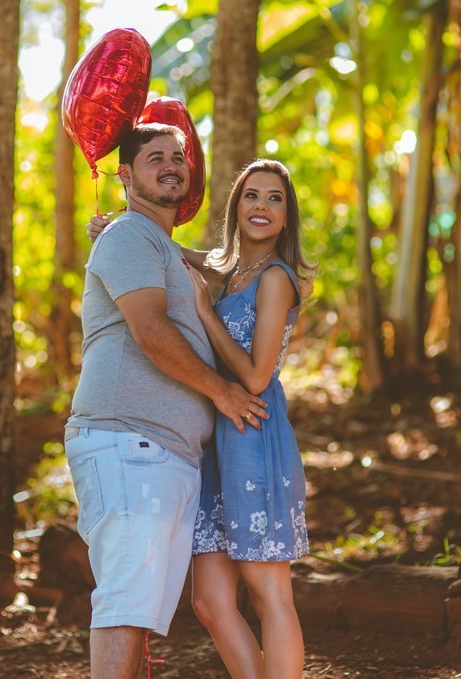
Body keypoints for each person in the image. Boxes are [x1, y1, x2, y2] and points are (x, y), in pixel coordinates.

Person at [89, 158, 315, 679]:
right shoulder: (227, 271)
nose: (262, 206)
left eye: (275, 199)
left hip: (253, 435)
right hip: (215, 443)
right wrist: (115, 228)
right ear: (236, 206)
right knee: (210, 601)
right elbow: (165, 247)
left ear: (287, 217)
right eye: (252, 195)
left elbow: (255, 377)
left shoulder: (275, 279)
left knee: (269, 592)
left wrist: (207, 314)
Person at [67, 122, 269, 679]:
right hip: (128, 440)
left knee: (139, 612)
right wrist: (224, 392)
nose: (171, 165)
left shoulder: (157, 245)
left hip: (164, 451)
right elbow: (152, 333)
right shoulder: (128, 237)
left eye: (178, 157)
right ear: (125, 176)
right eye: (155, 158)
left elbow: (224, 266)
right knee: (125, 603)